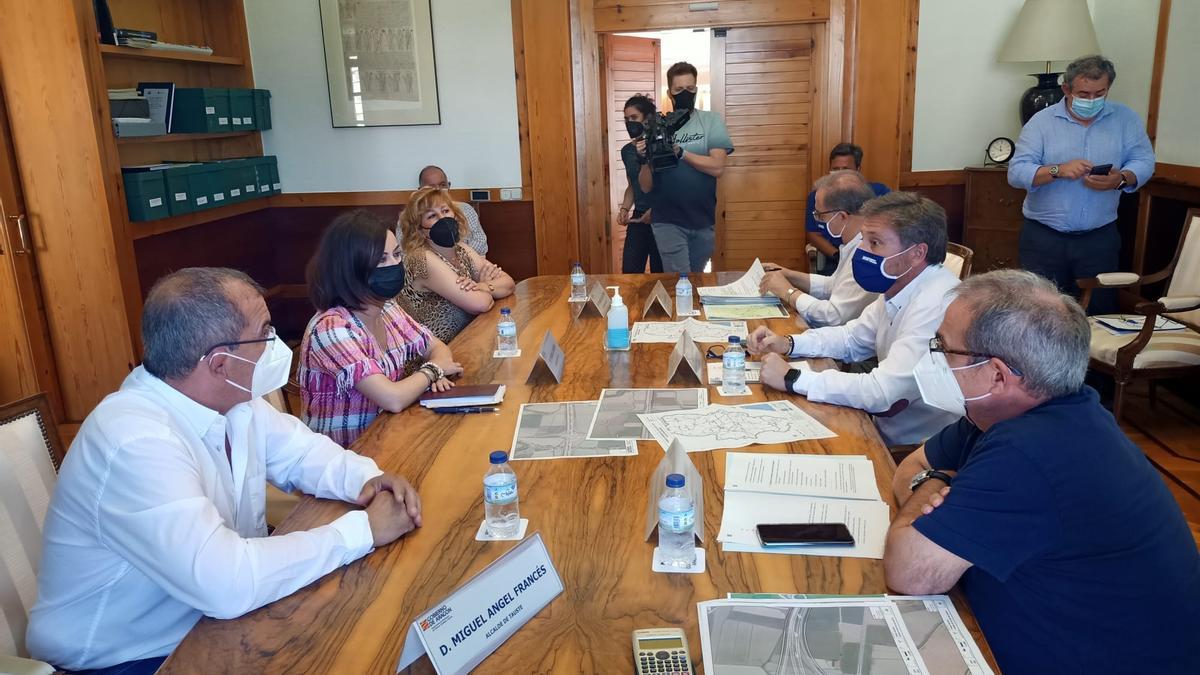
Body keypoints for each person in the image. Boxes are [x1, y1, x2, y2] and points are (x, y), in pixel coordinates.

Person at [26, 267, 423, 674]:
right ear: (219, 363)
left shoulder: (233, 401)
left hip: (210, 622)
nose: (277, 345)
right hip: (127, 657)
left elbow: (303, 454)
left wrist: (367, 479)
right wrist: (363, 531)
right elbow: (227, 584)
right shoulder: (135, 440)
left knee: (373, 630)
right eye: (266, 333)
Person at [885, 269, 1200, 674]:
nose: (935, 356)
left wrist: (931, 488)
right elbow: (911, 469)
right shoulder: (1015, 410)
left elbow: (909, 570)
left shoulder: (1032, 449)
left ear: (996, 374)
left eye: (943, 346)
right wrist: (938, 481)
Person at [747, 192, 962, 446]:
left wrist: (793, 378)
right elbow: (851, 338)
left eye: (875, 243)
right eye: (863, 240)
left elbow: (882, 393)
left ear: (917, 253)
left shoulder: (937, 304)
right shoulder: (903, 285)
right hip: (878, 427)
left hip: (913, 448)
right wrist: (788, 343)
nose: (861, 251)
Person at [299, 210, 463, 446]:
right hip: (345, 457)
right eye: (381, 260)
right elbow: (392, 398)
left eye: (397, 255)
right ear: (350, 267)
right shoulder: (331, 328)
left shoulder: (387, 308)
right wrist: (433, 372)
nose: (394, 265)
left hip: (388, 436)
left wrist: (433, 370)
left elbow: (436, 346)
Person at [1007, 55, 1155, 315]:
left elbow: (1144, 160)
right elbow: (1017, 172)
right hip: (1044, 239)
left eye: (1100, 93)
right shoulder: (1041, 122)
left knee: (1099, 313)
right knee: (1039, 315)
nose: (1092, 100)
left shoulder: (1125, 119)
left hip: (1099, 239)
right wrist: (1057, 170)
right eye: (1084, 94)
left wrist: (1121, 178)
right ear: (1067, 89)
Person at [637, 61, 734, 273]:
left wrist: (681, 153)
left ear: (696, 90)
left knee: (696, 279)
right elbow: (645, 187)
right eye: (679, 89)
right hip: (667, 219)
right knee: (681, 280)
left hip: (702, 219)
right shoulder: (656, 126)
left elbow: (717, 167)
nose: (685, 94)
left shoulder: (711, 121)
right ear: (670, 93)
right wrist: (644, 159)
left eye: (690, 89)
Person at [759, 170, 879, 327]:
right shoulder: (853, 242)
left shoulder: (867, 255)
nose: (817, 220)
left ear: (842, 216)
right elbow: (833, 285)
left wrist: (788, 292)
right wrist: (787, 274)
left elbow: (833, 315)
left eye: (820, 215)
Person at [396, 186, 515, 343]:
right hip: (435, 354)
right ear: (420, 230)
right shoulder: (421, 258)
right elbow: (481, 304)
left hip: (469, 338)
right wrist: (488, 287)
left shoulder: (461, 248)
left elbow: (509, 283)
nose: (443, 219)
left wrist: (483, 286)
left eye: (445, 211)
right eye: (432, 216)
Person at [806, 143, 891, 275]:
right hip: (834, 258)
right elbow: (813, 233)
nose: (840, 174)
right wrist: (838, 256)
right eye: (835, 169)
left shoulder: (879, 191)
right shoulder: (819, 195)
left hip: (869, 256)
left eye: (845, 169)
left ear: (858, 169)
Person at [618, 94, 662, 273]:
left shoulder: (661, 147)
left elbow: (671, 185)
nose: (630, 123)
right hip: (638, 218)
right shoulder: (627, 151)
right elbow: (632, 185)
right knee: (630, 272)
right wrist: (624, 209)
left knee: (660, 275)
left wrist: (657, 210)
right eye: (626, 119)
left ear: (647, 119)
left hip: (662, 218)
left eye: (634, 118)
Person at [417, 164, 489, 256]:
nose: (438, 190)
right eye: (431, 188)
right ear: (420, 190)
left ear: (449, 186)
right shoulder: (413, 216)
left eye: (442, 185)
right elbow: (406, 252)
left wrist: (461, 258)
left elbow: (480, 242)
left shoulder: (465, 209)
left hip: (471, 264)